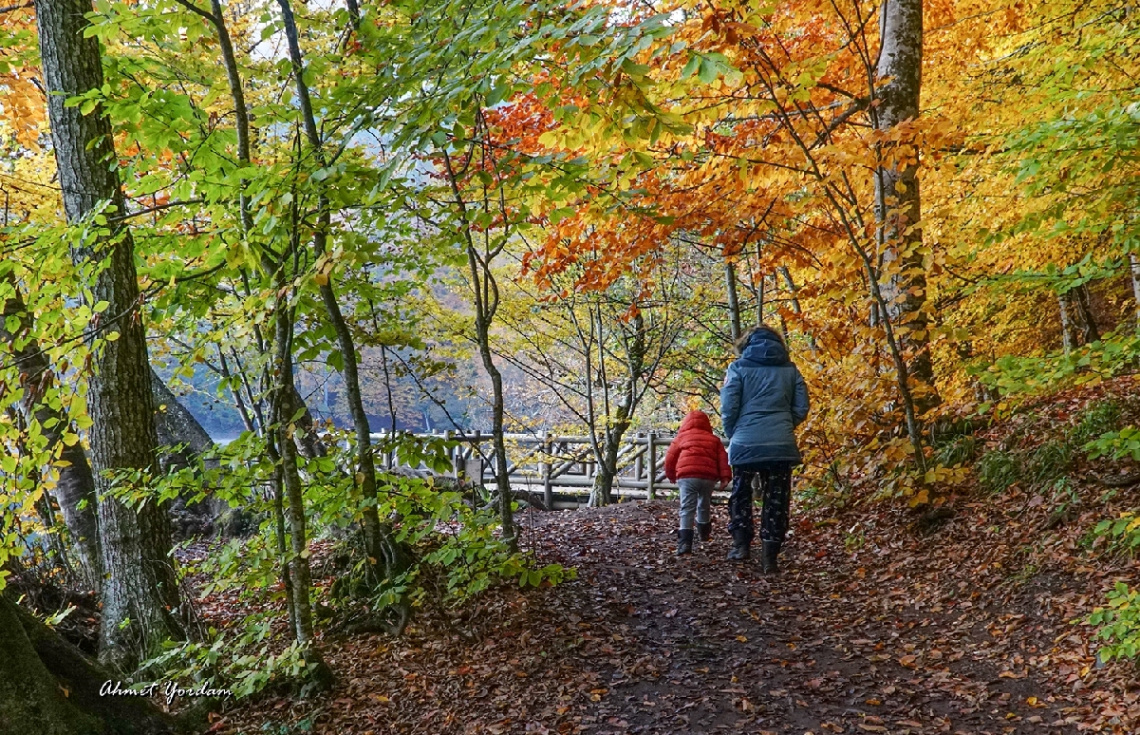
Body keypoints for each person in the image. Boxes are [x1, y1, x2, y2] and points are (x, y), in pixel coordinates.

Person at [720, 325, 810, 572]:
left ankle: (741, 545)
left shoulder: (738, 368)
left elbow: (728, 407)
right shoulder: (790, 370)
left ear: (745, 343)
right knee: (777, 497)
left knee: (741, 492)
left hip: (745, 441)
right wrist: (784, 425)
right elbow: (802, 406)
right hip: (780, 443)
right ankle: (770, 554)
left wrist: (734, 432)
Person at [664, 410, 732, 555]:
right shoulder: (714, 440)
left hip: (687, 476)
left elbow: (670, 458)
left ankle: (685, 543)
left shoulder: (681, 437)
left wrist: (670, 475)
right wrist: (725, 477)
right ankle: (704, 534)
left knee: (687, 507)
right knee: (704, 503)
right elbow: (723, 459)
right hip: (708, 477)